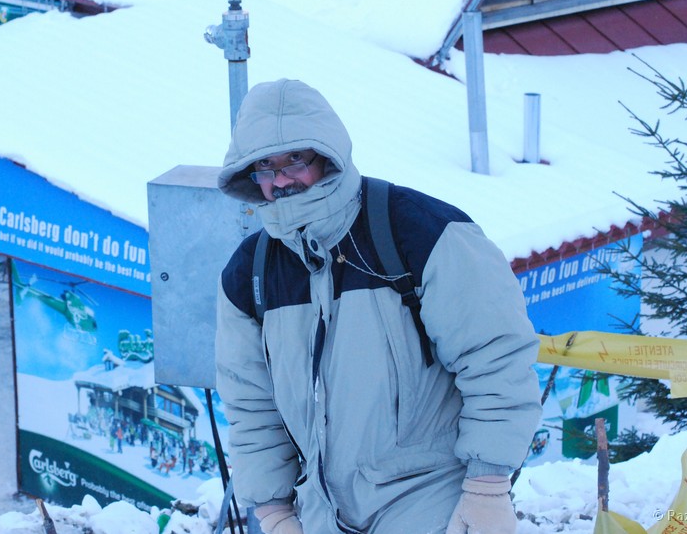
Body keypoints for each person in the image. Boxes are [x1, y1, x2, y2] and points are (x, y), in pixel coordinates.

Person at [215, 79, 542, 534]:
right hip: (322, 517)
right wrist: (274, 513)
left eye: (295, 159)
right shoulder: (250, 273)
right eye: (265, 166)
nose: (282, 179)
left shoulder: (421, 233)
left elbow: (495, 359)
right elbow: (251, 404)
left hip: (431, 507)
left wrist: (487, 488)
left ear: (328, 156)